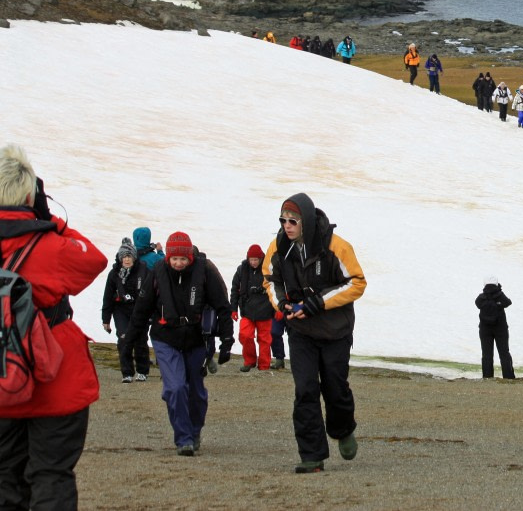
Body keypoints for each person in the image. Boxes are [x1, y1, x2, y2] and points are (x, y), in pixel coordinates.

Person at [0, 144, 108, 509]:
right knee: (51, 475)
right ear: (30, 194)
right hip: (55, 378)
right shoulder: (50, 245)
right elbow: (93, 260)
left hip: (2, 378)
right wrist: (49, 219)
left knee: (3, 480)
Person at [262, 193, 366, 474]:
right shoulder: (277, 247)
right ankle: (312, 456)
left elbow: (357, 282)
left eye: (292, 220)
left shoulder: (336, 246)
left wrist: (319, 302)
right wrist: (281, 303)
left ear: (305, 221)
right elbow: (270, 279)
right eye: (283, 220)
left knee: (335, 388)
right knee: (305, 390)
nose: (287, 225)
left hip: (335, 332)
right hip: (301, 332)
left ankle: (343, 430)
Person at [127, 231, 234, 456]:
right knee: (175, 388)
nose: (178, 263)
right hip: (165, 338)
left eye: (183, 259)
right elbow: (141, 308)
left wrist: (226, 340)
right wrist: (129, 341)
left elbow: (223, 306)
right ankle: (183, 438)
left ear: (190, 257)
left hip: (196, 339)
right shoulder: (157, 272)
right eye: (174, 259)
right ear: (168, 257)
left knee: (196, 392)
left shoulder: (205, 271)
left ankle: (195, 432)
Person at [100, 238, 151, 383]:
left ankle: (142, 371)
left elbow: (152, 294)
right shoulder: (113, 274)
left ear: (134, 257)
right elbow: (107, 297)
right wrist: (106, 319)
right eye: (124, 257)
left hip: (140, 310)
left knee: (140, 340)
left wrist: (152, 315)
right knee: (123, 339)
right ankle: (127, 373)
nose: (127, 259)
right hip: (121, 310)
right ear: (120, 258)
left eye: (129, 256)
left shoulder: (143, 270)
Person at [230, 244, 275, 373]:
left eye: (256, 260)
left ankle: (264, 366)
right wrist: (233, 309)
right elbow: (234, 290)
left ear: (261, 259)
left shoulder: (269, 269)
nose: (254, 262)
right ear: (248, 259)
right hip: (247, 310)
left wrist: (278, 310)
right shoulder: (241, 270)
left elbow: (277, 289)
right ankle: (249, 361)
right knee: (245, 335)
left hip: (265, 310)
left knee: (264, 340)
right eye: (252, 260)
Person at [475, 276, 515, 379]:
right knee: (504, 353)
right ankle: (508, 377)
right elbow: (508, 302)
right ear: (497, 284)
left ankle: (487, 377)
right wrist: (499, 292)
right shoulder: (500, 296)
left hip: (484, 330)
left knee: (487, 354)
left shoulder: (481, 297)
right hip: (500, 329)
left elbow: (477, 304)